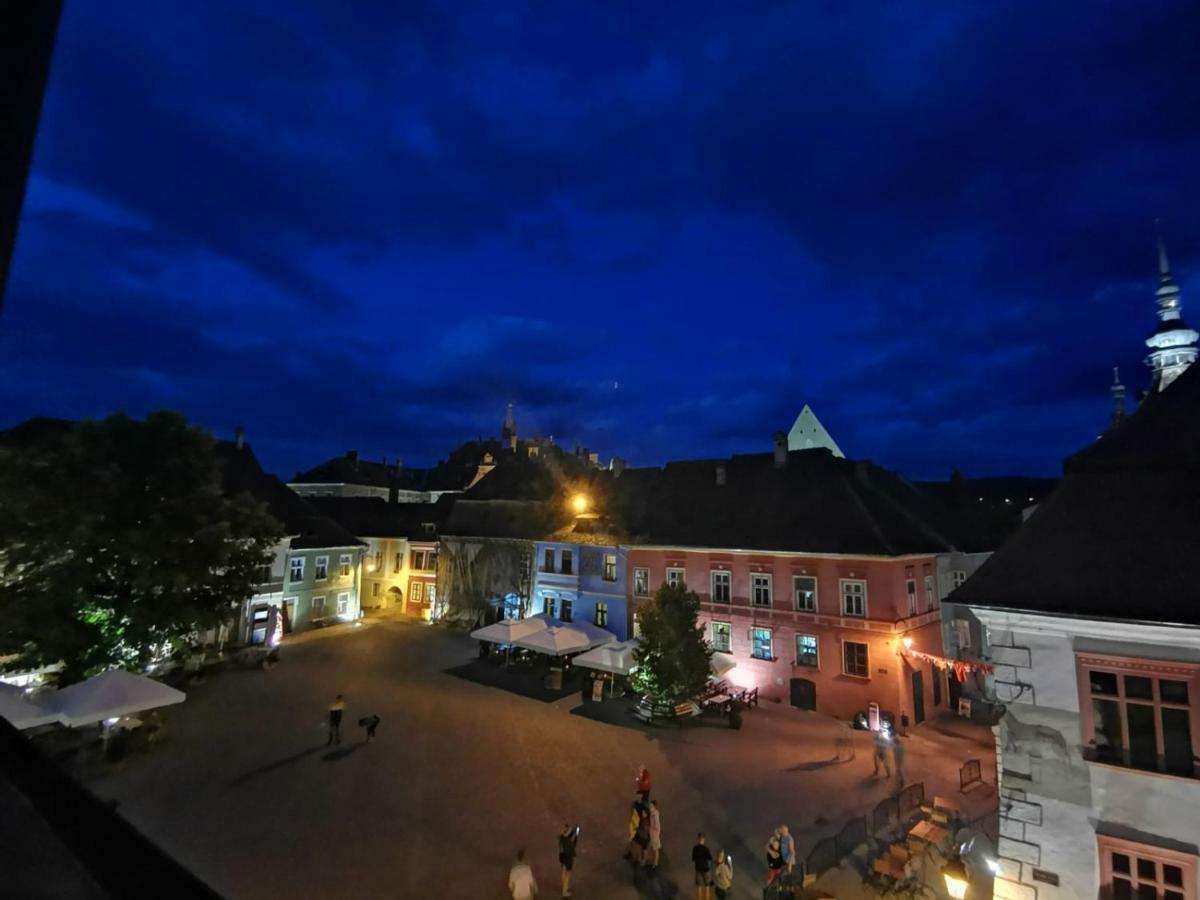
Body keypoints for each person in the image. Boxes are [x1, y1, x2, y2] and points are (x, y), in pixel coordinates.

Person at [558, 824, 578, 898]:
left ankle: (564, 887)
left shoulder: (561, 838)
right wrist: (576, 837)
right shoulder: (570, 843)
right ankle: (564, 891)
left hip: (562, 858)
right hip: (568, 859)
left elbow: (565, 834)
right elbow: (573, 849)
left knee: (563, 872)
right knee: (568, 876)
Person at [692, 832, 713, 900]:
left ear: (698, 839)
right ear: (704, 839)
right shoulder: (706, 849)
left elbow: (693, 858)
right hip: (706, 869)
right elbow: (710, 858)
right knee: (707, 886)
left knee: (699, 887)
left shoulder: (695, 848)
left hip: (698, 868)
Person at [647, 800, 662, 868]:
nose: (650, 807)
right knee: (653, 848)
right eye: (650, 806)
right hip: (652, 833)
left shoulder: (655, 815)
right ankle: (653, 861)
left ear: (655, 807)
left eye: (651, 806)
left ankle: (655, 863)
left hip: (654, 835)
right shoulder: (652, 813)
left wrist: (656, 834)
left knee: (655, 849)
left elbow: (657, 826)